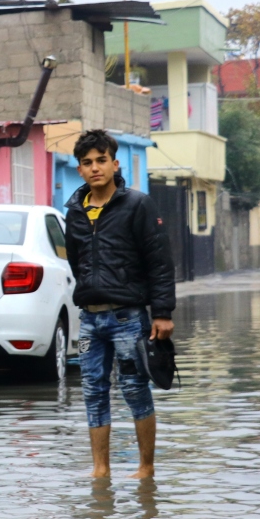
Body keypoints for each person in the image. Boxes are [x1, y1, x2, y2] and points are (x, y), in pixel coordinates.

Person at [63, 130, 175, 479]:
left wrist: (162, 313)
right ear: (79, 170)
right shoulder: (75, 213)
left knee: (133, 388)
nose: (95, 168)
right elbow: (76, 261)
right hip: (90, 321)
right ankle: (101, 469)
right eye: (87, 163)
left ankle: (146, 468)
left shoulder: (138, 205)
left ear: (114, 163)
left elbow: (159, 260)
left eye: (101, 160)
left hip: (128, 318)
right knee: (93, 391)